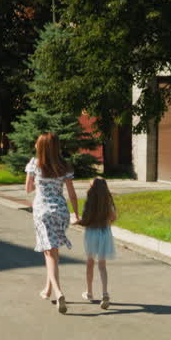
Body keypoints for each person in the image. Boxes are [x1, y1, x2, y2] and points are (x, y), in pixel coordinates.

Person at [25, 133, 80, 313]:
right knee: (52, 250)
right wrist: (76, 214)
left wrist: (38, 184)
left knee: (50, 253)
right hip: (61, 212)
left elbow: (28, 189)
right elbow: (72, 193)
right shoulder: (64, 166)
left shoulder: (35, 164)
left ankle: (58, 292)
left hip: (43, 212)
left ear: (41, 147)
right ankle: (48, 289)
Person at [77, 178, 117, 309]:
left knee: (90, 263)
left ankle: (89, 292)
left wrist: (78, 221)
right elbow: (113, 218)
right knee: (102, 265)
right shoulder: (108, 202)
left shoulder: (89, 202)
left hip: (92, 233)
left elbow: (85, 219)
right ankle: (105, 293)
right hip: (105, 233)